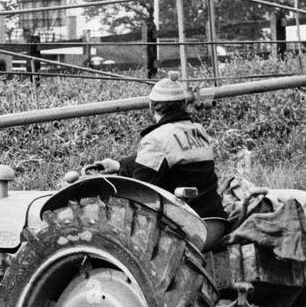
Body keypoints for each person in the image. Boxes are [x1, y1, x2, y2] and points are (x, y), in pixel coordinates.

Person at [95, 72, 228, 250]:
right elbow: (171, 159)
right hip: (215, 226)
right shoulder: (198, 131)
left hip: (187, 232)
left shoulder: (156, 138)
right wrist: (119, 166)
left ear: (151, 106)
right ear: (184, 105)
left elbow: (138, 190)